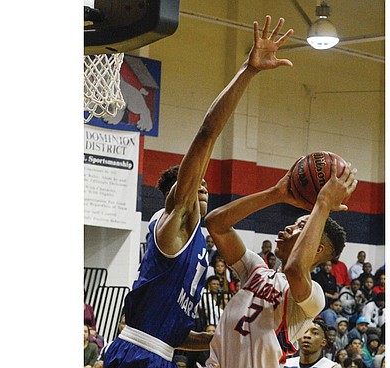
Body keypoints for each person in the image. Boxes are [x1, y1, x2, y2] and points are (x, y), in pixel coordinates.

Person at [103, 14, 285, 368]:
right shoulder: (175, 222)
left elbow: (170, 333)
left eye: (203, 185)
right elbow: (206, 134)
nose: (200, 186)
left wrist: (221, 336)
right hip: (137, 355)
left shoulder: (199, 241)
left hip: (157, 354)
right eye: (191, 185)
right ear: (174, 197)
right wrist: (248, 71)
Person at [204, 90, 358, 368]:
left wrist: (322, 204)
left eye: (301, 226)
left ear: (318, 249)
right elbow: (216, 224)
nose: (288, 227)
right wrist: (274, 193)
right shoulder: (256, 269)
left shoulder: (313, 298)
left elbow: (296, 269)